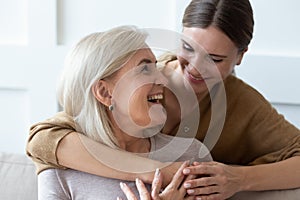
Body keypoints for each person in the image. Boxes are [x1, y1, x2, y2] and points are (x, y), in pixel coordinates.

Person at [27, 0, 300, 199]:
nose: (195, 67)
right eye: (188, 48)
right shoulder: (136, 81)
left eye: (215, 59)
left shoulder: (241, 107)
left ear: (240, 56)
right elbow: (42, 139)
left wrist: (238, 178)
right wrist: (159, 171)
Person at [37, 25, 212, 199]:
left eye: (155, 67)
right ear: (105, 93)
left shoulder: (191, 155)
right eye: (144, 69)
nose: (162, 79)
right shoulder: (61, 169)